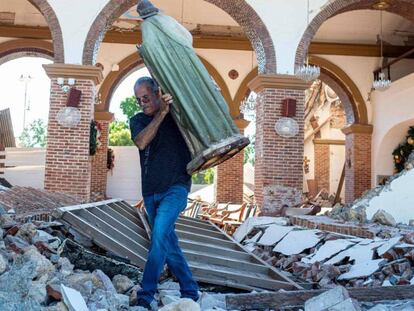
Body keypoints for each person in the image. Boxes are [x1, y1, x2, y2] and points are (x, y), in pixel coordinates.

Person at [129, 76, 199, 309]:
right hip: (150, 192)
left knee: (159, 235)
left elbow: (198, 115)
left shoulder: (178, 117)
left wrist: (173, 106)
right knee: (169, 242)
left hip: (176, 187)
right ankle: (190, 289)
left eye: (146, 98)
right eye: (139, 100)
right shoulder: (138, 120)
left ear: (158, 93)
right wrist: (160, 114)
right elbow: (141, 142)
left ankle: (146, 294)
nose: (143, 103)